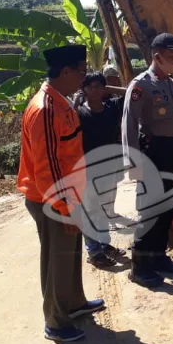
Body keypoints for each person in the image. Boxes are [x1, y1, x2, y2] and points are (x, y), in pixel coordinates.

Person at [17, 44, 105, 342]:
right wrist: (65, 209)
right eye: (81, 71)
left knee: (71, 254)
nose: (84, 77)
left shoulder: (61, 102)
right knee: (57, 259)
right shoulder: (45, 109)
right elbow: (48, 168)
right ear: (65, 71)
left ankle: (74, 303)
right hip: (51, 199)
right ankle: (56, 322)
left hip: (68, 193)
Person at [122, 32, 173, 287]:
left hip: (170, 151)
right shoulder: (141, 85)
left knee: (167, 206)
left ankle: (158, 257)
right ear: (157, 56)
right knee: (150, 210)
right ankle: (139, 267)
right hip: (151, 153)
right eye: (172, 54)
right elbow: (129, 127)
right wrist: (133, 164)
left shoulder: (171, 84)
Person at [77, 72, 128, 268]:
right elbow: (69, 121)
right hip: (88, 170)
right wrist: (77, 101)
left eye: (99, 86)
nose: (95, 90)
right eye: (91, 87)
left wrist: (109, 89)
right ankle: (94, 251)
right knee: (90, 210)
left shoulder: (112, 108)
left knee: (104, 209)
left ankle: (104, 245)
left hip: (110, 168)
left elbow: (133, 91)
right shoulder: (80, 113)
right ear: (85, 89)